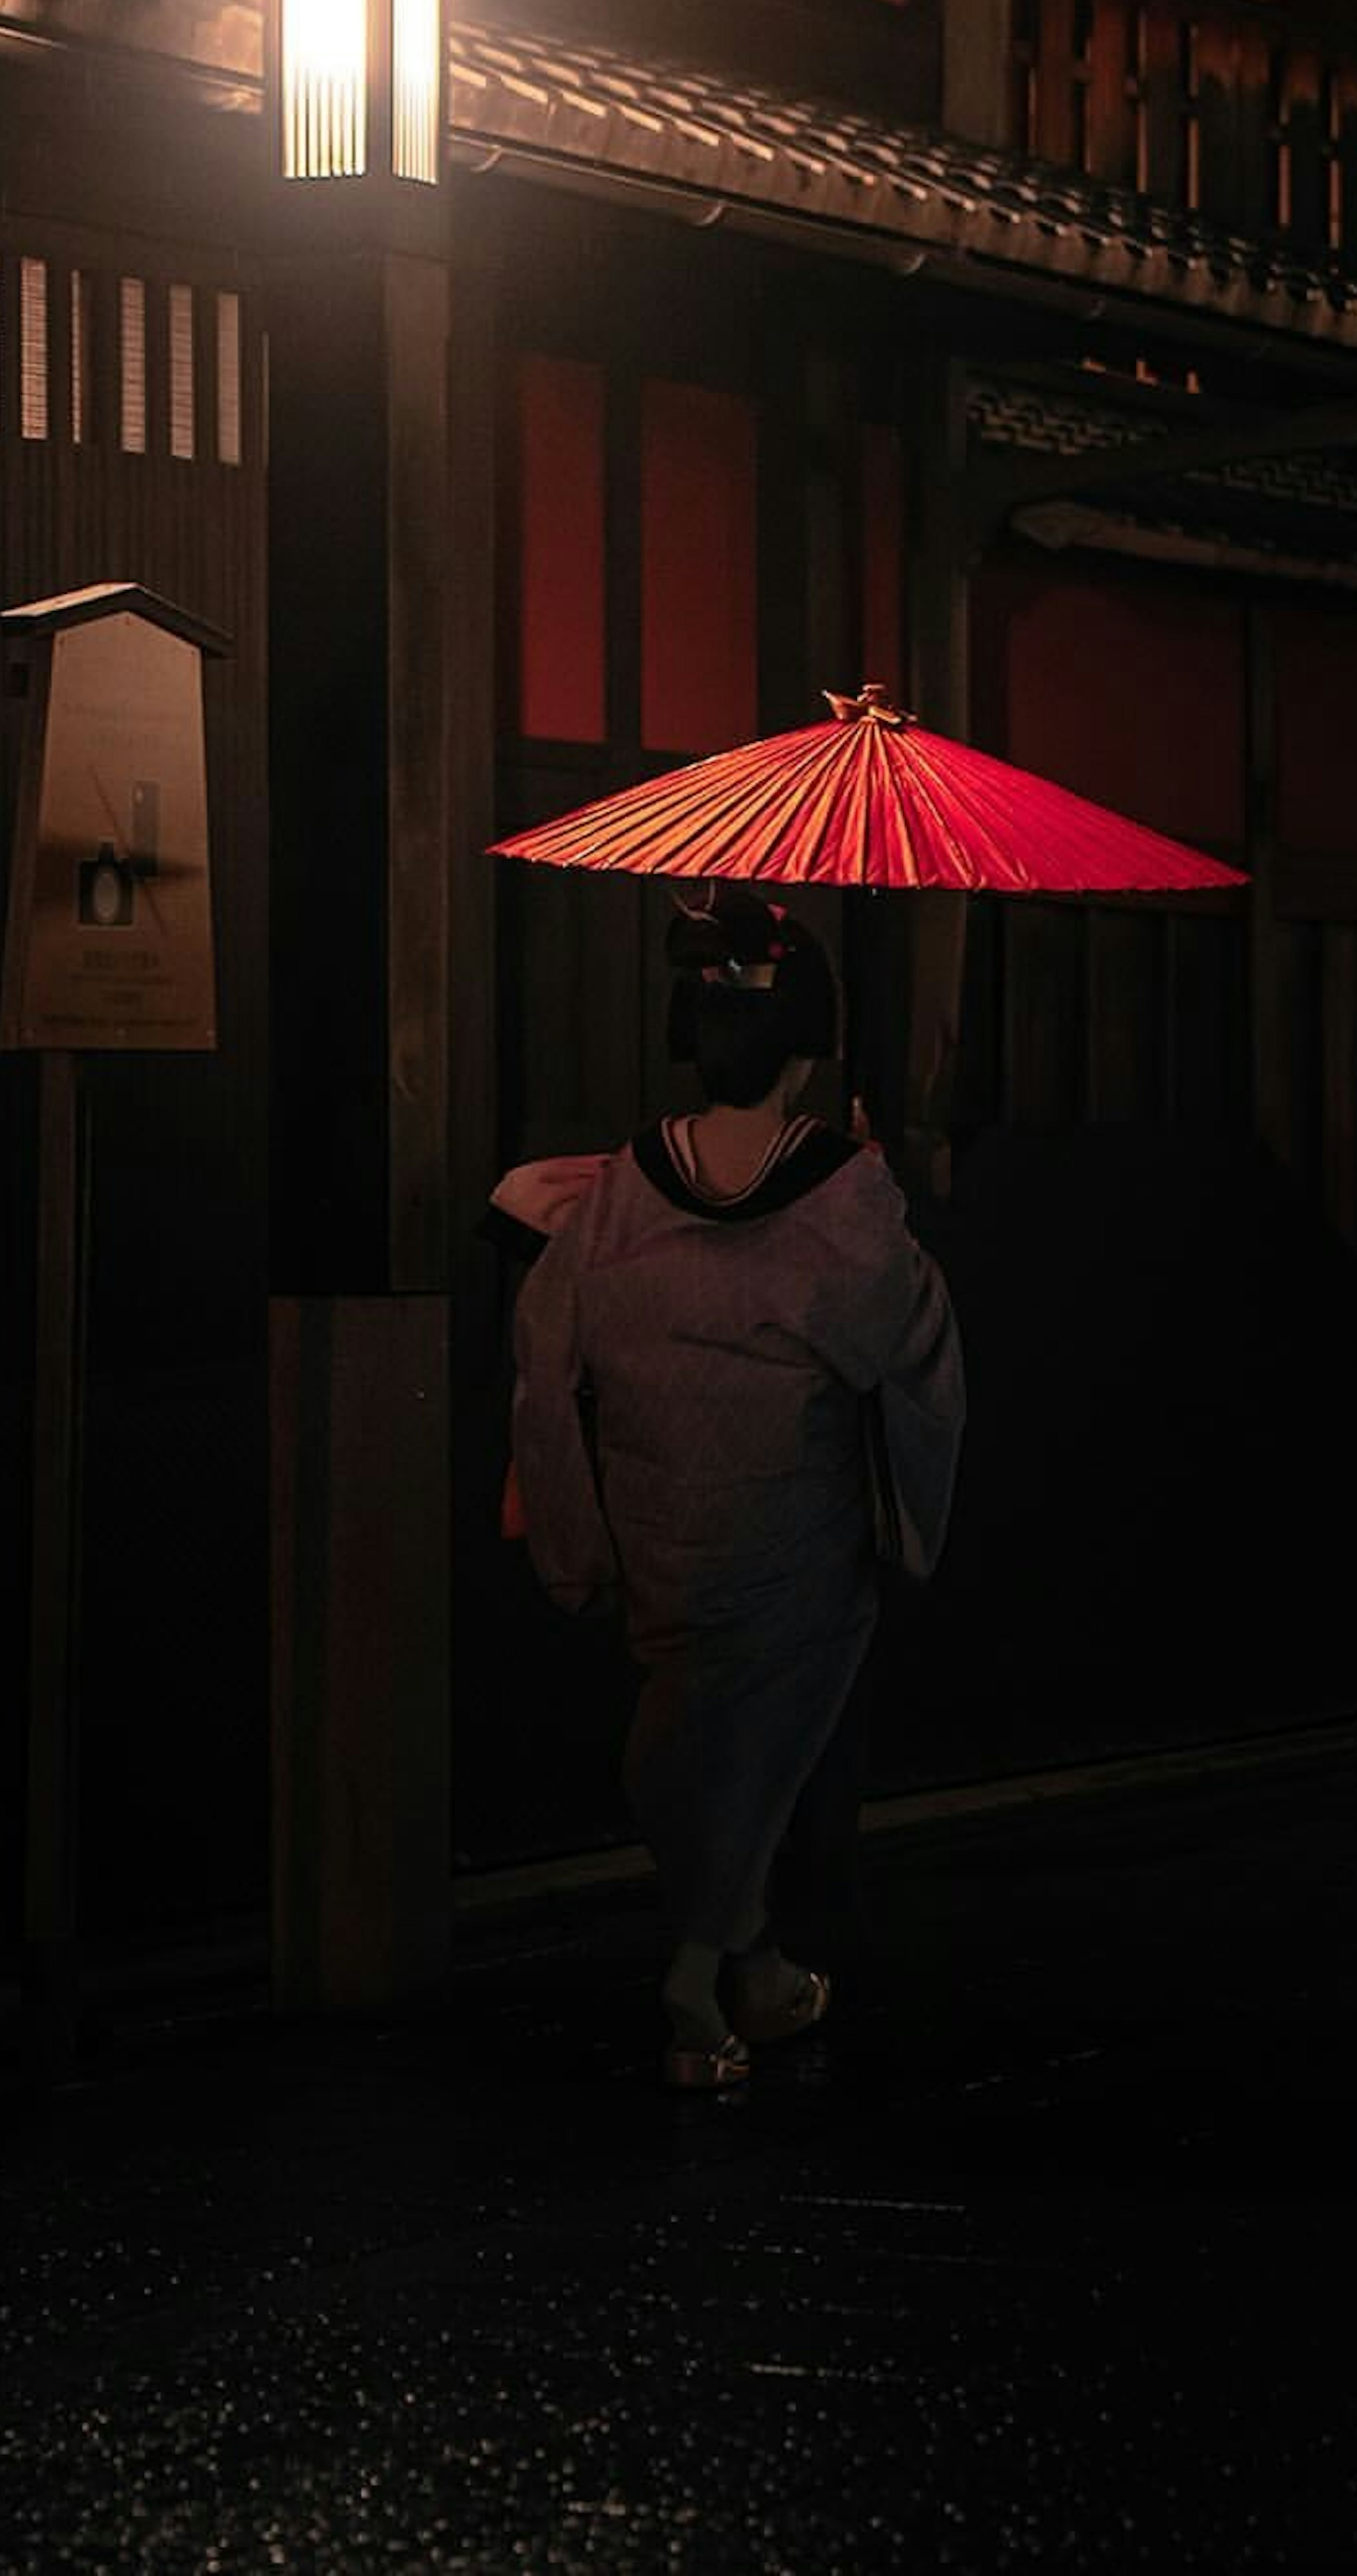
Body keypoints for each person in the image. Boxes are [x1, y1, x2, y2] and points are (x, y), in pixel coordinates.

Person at [498, 894, 964, 2090]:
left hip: (654, 1524)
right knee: (764, 1736)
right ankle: (698, 1976)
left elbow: (547, 1357)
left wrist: (574, 1537)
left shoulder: (618, 1190)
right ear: (805, 1050)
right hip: (787, 1537)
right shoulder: (841, 1194)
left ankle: (753, 1967)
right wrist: (886, 1194)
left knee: (690, 1745)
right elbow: (911, 1353)